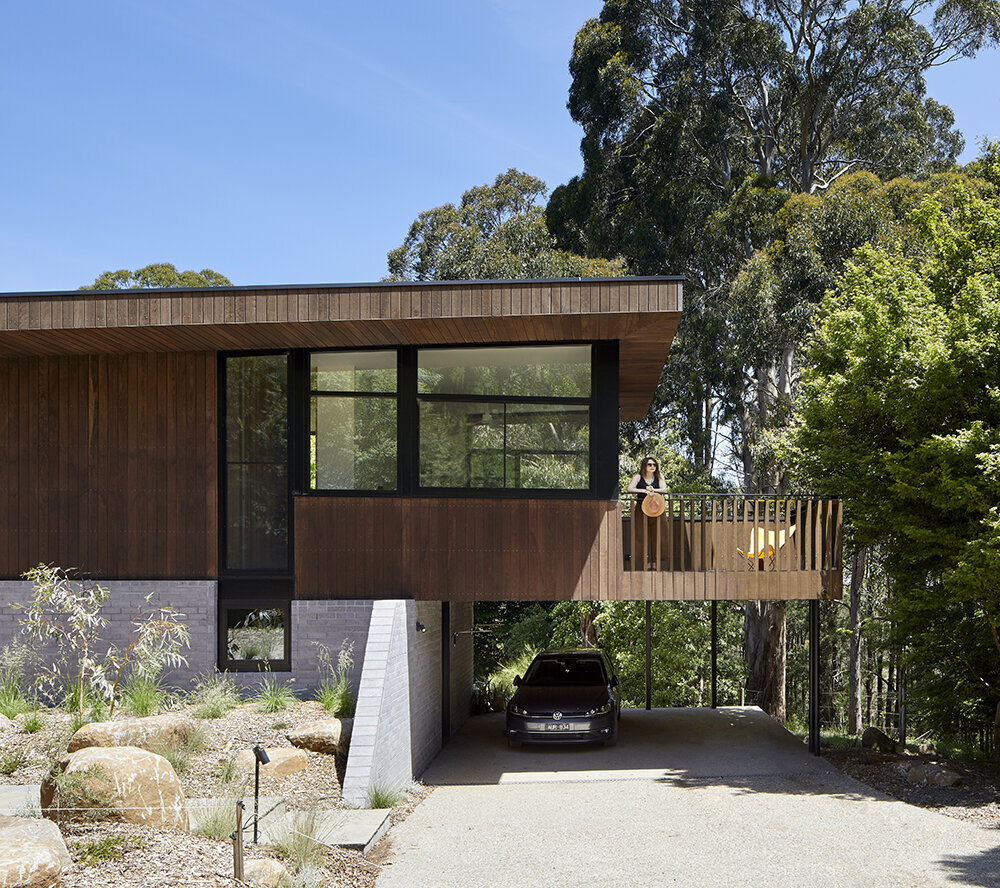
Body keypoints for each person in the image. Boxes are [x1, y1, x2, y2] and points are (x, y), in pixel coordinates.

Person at [627, 457, 667, 569]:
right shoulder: (638, 477)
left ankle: (655, 562)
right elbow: (630, 488)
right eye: (649, 464)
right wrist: (644, 490)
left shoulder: (659, 476)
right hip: (641, 508)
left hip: (657, 508)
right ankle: (645, 562)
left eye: (654, 464)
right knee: (641, 534)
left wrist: (653, 490)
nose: (652, 466)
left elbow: (664, 489)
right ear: (644, 465)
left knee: (658, 534)